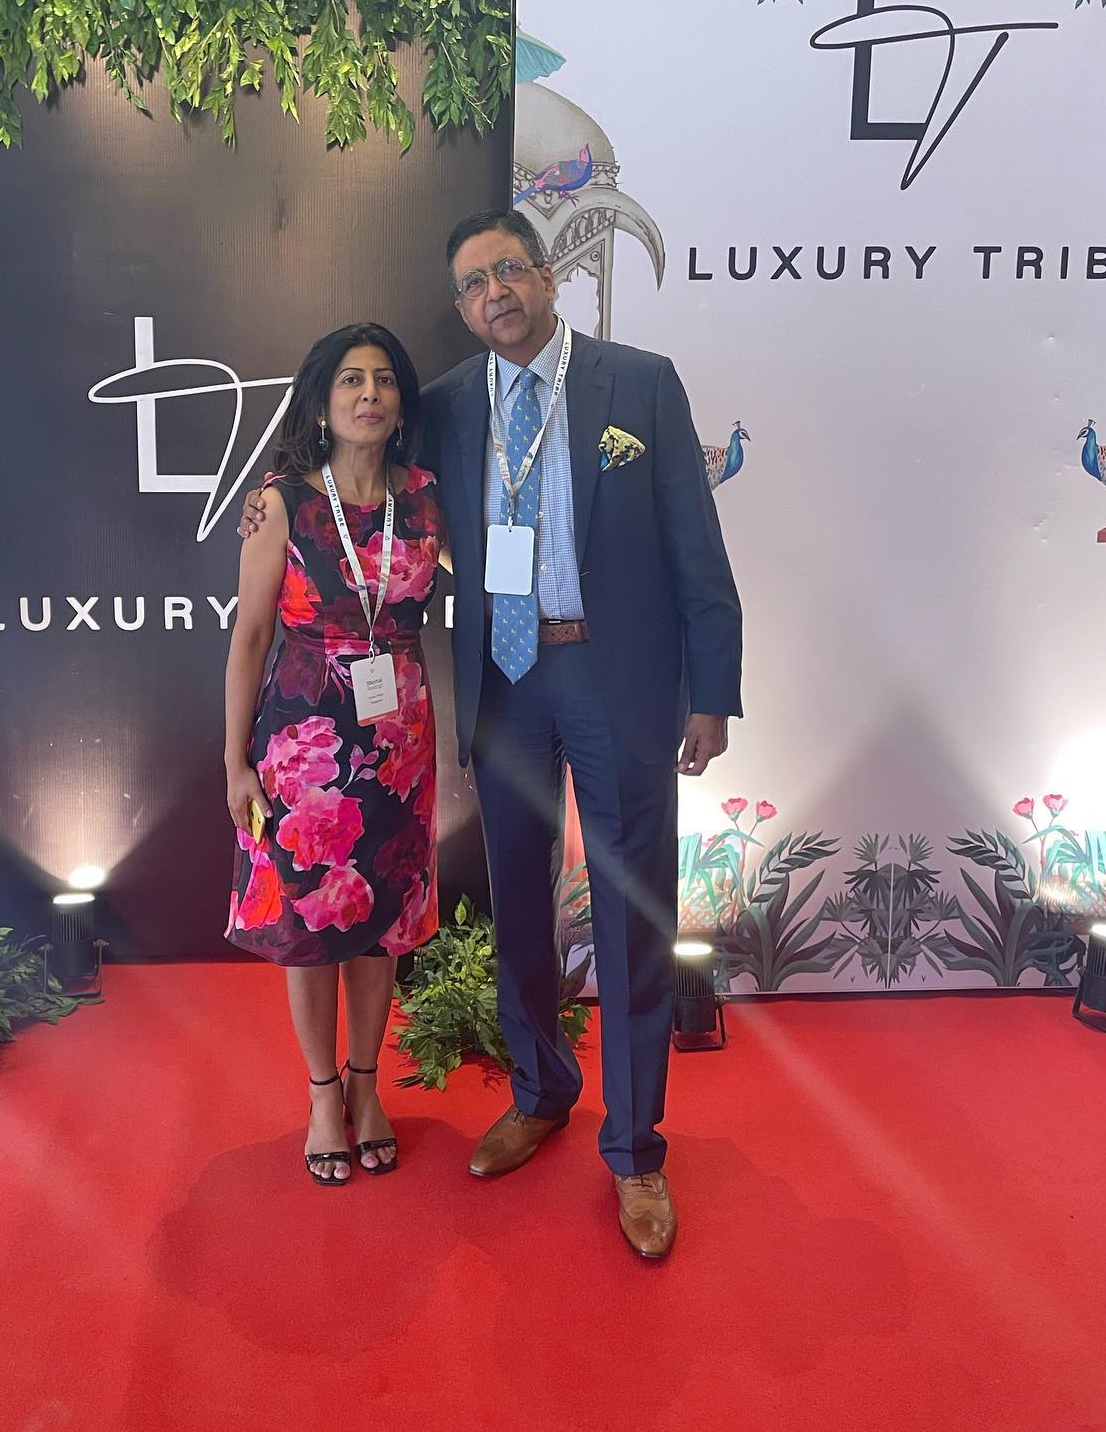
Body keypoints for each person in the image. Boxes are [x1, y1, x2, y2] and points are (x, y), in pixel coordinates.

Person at [242, 212, 742, 1254]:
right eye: (472, 284)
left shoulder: (639, 383)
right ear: (462, 308)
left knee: (631, 913)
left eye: (509, 270)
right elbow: (359, 473)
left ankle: (636, 1151)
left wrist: (712, 692)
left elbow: (698, 545)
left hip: (616, 677)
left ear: (548, 277)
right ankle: (541, 1090)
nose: (494, 293)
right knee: (517, 901)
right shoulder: (447, 406)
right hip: (505, 682)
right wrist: (270, 502)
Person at [224, 322, 444, 1186]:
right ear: (321, 403)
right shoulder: (282, 502)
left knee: (380, 922)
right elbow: (249, 637)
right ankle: (323, 1095)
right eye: (351, 380)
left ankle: (365, 1083)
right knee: (311, 923)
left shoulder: (426, 498)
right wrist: (234, 761)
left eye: (383, 379)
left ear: (401, 402)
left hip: (399, 744)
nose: (368, 394)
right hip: (303, 745)